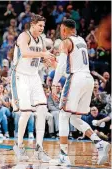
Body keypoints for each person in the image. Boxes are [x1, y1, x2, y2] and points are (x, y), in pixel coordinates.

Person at [51, 19, 110, 166]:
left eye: (61, 29)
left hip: (76, 79)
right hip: (88, 79)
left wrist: (53, 84)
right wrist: (56, 64)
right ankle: (99, 143)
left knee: (63, 115)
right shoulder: (81, 40)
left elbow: (64, 65)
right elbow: (71, 64)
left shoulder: (66, 42)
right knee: (75, 119)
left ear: (64, 29)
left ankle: (64, 155)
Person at [11, 14, 53, 162]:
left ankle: (39, 148)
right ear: (33, 24)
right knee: (27, 112)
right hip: (20, 76)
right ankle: (19, 144)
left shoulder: (41, 39)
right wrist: (43, 53)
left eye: (43, 26)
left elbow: (42, 58)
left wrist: (49, 61)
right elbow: (25, 53)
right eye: (40, 25)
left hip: (34, 76)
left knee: (42, 109)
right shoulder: (24, 36)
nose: (42, 28)